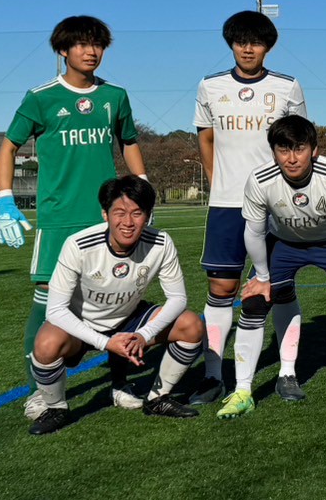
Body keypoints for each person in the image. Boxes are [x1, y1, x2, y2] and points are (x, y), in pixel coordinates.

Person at [0, 15, 147, 420]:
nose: (90, 52)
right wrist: (5, 200)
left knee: (119, 297)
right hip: (59, 220)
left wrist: (142, 187)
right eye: (81, 44)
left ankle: (121, 384)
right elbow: (8, 147)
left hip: (108, 218)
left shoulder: (114, 96)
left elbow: (129, 142)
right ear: (63, 50)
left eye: (97, 44)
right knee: (46, 303)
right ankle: (39, 392)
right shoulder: (41, 98)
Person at [219, 115, 326, 419]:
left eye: (299, 149)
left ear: (314, 150)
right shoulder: (260, 179)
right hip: (284, 243)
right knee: (254, 303)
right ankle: (242, 392)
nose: (291, 158)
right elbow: (253, 231)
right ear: (273, 152)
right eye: (283, 150)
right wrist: (262, 277)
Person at [189, 10, 307, 407]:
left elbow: (297, 143)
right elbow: (206, 139)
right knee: (221, 288)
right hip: (226, 205)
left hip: (276, 205)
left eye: (255, 42)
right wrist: (217, 181)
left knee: (280, 287)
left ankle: (287, 372)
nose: (248, 48)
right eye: (241, 41)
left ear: (268, 46)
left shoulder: (287, 86)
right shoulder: (210, 86)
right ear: (231, 44)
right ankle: (212, 375)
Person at [26, 176, 203, 435]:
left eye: (137, 213)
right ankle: (56, 408)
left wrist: (144, 335)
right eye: (119, 213)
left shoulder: (161, 243)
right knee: (46, 342)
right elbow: (55, 310)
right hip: (82, 323)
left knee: (191, 325)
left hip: (129, 318)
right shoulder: (78, 245)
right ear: (105, 214)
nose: (128, 222)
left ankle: (157, 398)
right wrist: (106, 343)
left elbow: (178, 298)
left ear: (148, 215)